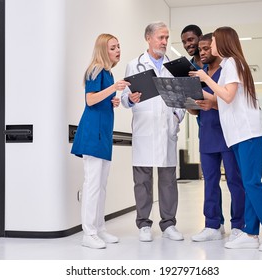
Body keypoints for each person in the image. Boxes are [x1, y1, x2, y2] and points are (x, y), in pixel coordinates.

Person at [190, 26, 262, 251]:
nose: (209, 47)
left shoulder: (232, 62)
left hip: (248, 133)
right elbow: (219, 97)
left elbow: (228, 96)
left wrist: (205, 78)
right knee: (248, 183)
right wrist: (191, 89)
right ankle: (251, 234)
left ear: (222, 43)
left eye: (212, 42)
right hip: (239, 135)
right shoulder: (229, 66)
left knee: (252, 183)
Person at [121, 21, 186, 242]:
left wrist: (177, 117)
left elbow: (181, 98)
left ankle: (169, 224)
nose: (165, 42)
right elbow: (124, 97)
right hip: (144, 128)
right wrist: (129, 99)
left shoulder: (175, 66)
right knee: (142, 180)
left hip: (167, 127)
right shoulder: (133, 65)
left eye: (167, 38)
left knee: (168, 179)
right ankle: (144, 224)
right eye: (161, 37)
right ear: (148, 38)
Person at [71, 33, 130, 249]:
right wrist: (113, 90)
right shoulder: (95, 69)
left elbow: (99, 97)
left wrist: (111, 99)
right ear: (103, 50)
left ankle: (100, 229)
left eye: (118, 46)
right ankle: (89, 233)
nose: (117, 50)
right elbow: (90, 99)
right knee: (93, 185)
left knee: (101, 185)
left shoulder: (108, 73)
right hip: (92, 134)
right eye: (113, 47)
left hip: (103, 135)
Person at [187, 33, 245, 242]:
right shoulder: (198, 74)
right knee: (210, 181)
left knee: (234, 181)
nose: (202, 52)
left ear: (214, 48)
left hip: (228, 133)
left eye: (206, 48)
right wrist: (189, 105)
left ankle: (238, 225)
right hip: (207, 133)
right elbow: (197, 109)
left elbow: (232, 100)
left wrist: (212, 103)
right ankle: (213, 225)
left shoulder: (227, 70)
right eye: (199, 50)